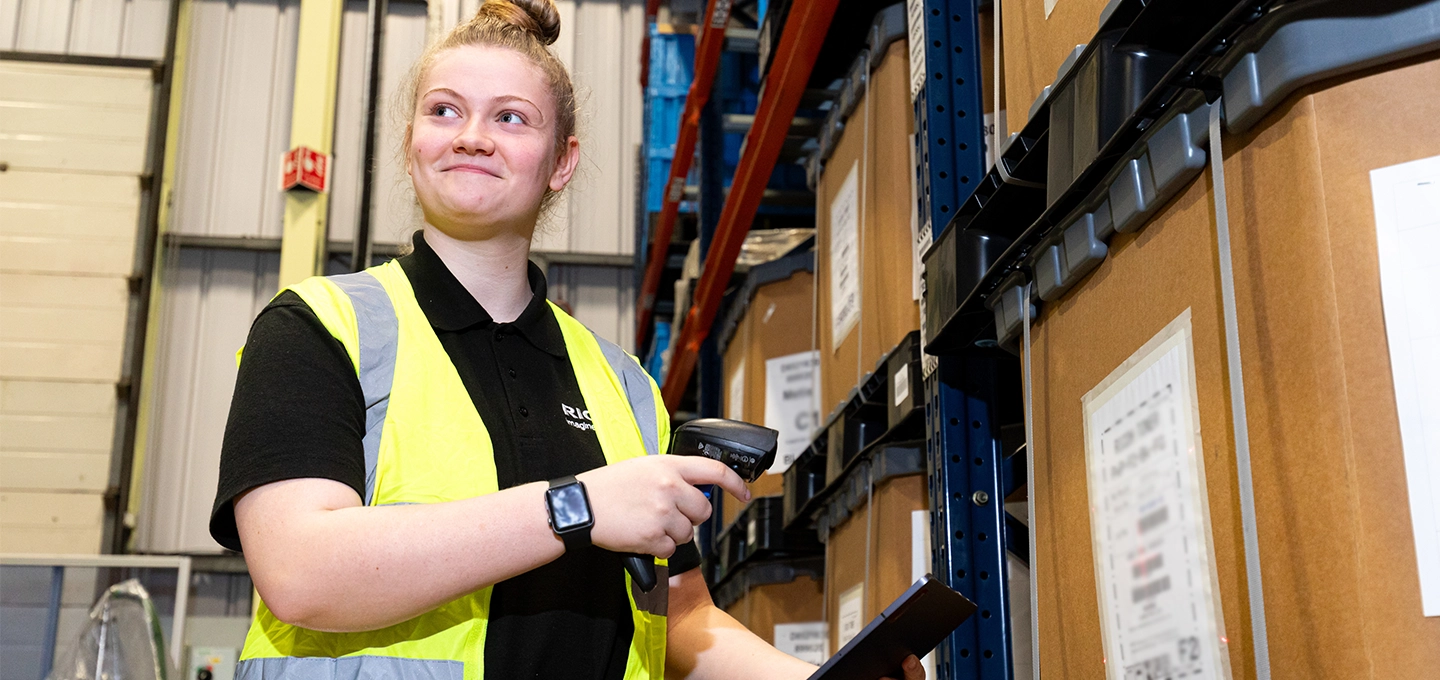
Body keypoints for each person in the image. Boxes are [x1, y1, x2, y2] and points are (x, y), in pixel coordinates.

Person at [210, 1, 926, 678]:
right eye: (443, 110)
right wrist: (574, 507)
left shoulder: (625, 389)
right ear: (411, 143)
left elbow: (680, 618)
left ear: (561, 162)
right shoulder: (319, 329)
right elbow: (301, 574)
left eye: (511, 118)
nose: (471, 135)